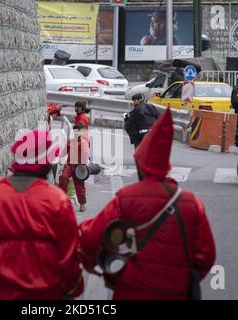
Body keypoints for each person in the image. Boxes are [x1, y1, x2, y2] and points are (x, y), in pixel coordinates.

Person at [79, 109, 216, 300]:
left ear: (140, 165)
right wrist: (184, 278)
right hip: (177, 293)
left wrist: (95, 266)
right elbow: (206, 257)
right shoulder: (192, 204)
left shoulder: (125, 198)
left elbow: (91, 239)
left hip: (131, 292)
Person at [0, 130, 84, 300]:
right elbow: (68, 256)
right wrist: (72, 288)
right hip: (44, 292)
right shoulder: (58, 201)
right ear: (46, 163)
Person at [59, 122, 89, 212]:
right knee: (63, 178)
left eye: (79, 131)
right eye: (75, 130)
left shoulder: (84, 143)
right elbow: (63, 152)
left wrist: (83, 166)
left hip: (79, 166)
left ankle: (82, 203)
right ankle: (62, 200)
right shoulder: (70, 141)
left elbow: (85, 154)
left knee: (79, 185)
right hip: (69, 164)